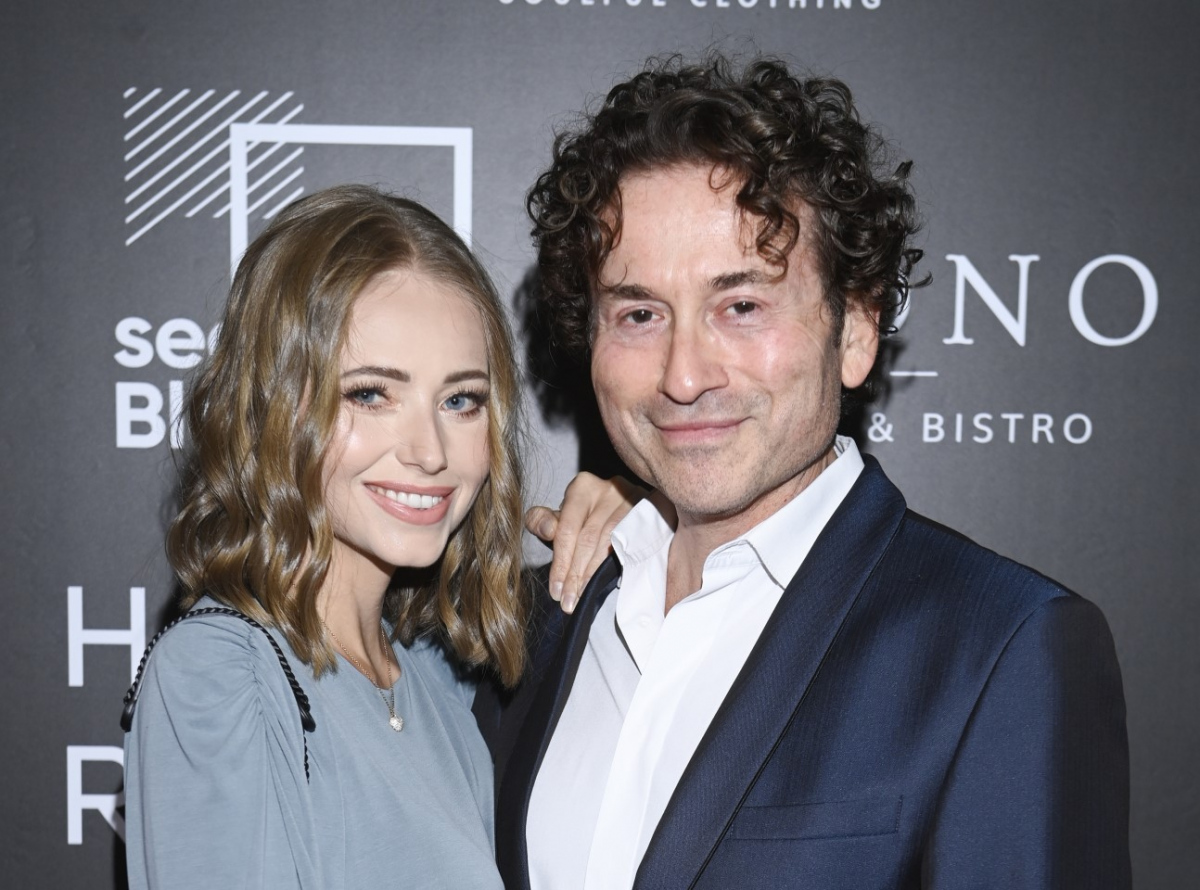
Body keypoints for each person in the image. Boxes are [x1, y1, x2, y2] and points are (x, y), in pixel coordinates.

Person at [483, 54, 1132, 889]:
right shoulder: (533, 627)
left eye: (741, 306)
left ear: (855, 329)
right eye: (640, 314)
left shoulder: (999, 650)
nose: (685, 375)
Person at [121, 185, 637, 890]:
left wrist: (643, 518)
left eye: (460, 401)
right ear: (276, 406)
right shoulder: (221, 674)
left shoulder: (439, 679)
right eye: (370, 394)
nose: (429, 451)